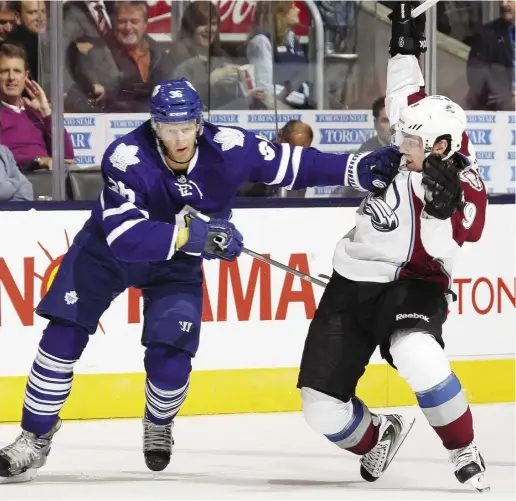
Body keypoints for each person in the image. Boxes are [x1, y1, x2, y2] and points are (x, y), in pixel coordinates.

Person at [0, 77, 402, 482]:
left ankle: (158, 422)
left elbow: (293, 164)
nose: (179, 138)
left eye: (186, 127)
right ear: (153, 126)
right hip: (104, 255)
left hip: (176, 266)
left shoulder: (229, 146)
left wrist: (355, 168)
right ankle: (34, 437)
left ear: (199, 122)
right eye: (169, 129)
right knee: (61, 337)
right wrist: (192, 234)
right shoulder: (125, 157)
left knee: (171, 359)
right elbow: (125, 238)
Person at [297, 1, 489, 493]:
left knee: (419, 355)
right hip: (351, 284)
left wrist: (442, 210)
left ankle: (462, 448)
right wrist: (404, 33)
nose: (398, 143)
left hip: (414, 289)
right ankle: (380, 433)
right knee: (320, 407)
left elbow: (454, 243)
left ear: (442, 147)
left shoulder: (464, 184)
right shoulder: (417, 136)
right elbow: (404, 86)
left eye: (411, 141)